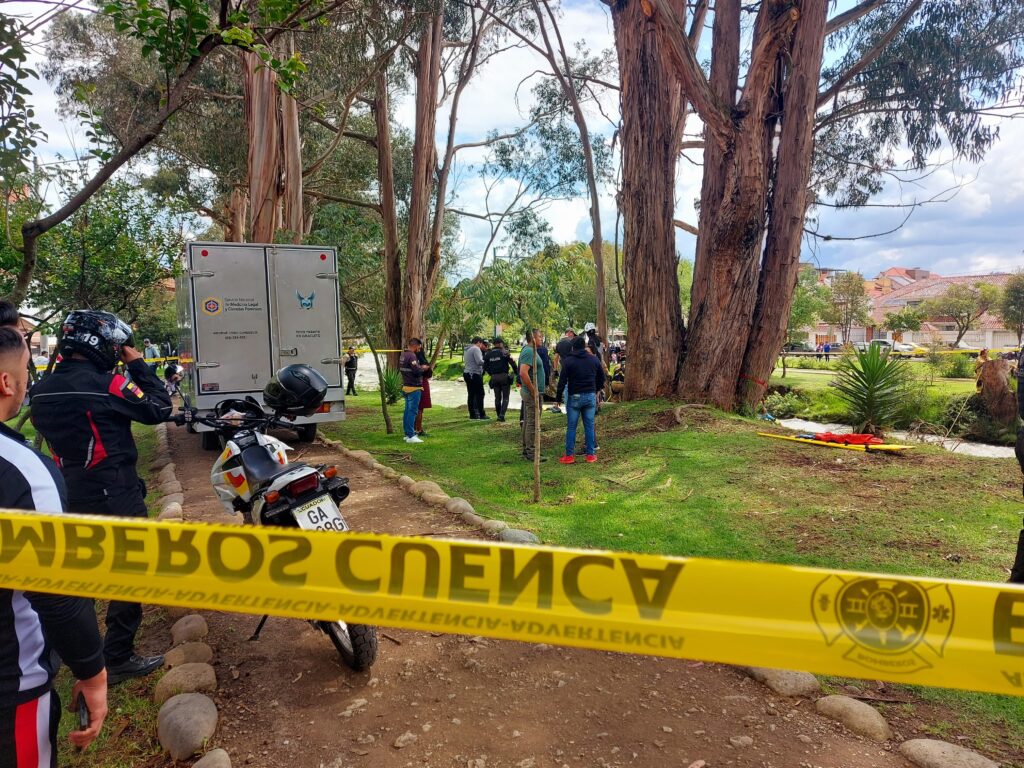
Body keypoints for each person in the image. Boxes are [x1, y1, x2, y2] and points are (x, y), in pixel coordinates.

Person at [30, 310, 171, 684]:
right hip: (115, 494)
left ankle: (79, 654)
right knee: (130, 573)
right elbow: (159, 407)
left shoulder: (41, 391)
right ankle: (118, 656)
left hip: (67, 494)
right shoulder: (107, 385)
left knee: (81, 578)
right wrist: (137, 363)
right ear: (102, 345)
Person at [0, 325, 109, 762]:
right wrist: (93, 672)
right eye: (27, 367)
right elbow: (56, 590)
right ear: (6, 382)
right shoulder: (21, 471)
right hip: (12, 689)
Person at [559, 335, 606, 464]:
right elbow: (602, 378)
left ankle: (569, 456)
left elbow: (562, 381)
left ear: (573, 346)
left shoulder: (568, 361)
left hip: (575, 396)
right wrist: (596, 389)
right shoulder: (593, 359)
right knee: (589, 426)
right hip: (590, 396)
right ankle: (590, 455)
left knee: (572, 427)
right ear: (584, 346)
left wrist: (558, 397)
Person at [518, 329, 547, 462]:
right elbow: (523, 373)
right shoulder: (529, 351)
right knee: (532, 422)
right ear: (533, 338)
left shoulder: (531, 350)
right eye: (540, 337)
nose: (542, 339)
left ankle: (527, 448)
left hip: (533, 393)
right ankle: (531, 451)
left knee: (529, 420)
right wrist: (533, 390)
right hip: (531, 394)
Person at [399, 338, 430, 444]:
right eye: (419, 347)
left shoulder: (403, 355)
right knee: (412, 411)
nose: (419, 349)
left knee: (407, 411)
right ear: (416, 345)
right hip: (414, 387)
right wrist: (424, 368)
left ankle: (408, 433)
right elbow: (416, 371)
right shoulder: (412, 355)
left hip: (406, 386)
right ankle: (411, 435)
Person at [483, 337, 516, 422]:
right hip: (504, 377)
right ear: (500, 343)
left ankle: (498, 414)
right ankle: (501, 415)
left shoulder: (488, 354)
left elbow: (485, 366)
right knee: (505, 397)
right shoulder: (504, 352)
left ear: (494, 344)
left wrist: (491, 373)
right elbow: (512, 363)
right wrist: (516, 372)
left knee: (497, 398)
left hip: (494, 377)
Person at [463, 336, 488, 420]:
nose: (481, 346)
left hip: (467, 373)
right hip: (474, 374)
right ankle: (482, 414)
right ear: (478, 342)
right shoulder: (476, 348)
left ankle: (472, 415)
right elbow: (479, 362)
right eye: (481, 344)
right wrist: (487, 360)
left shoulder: (467, 349)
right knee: (480, 394)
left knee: (471, 394)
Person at [414, 345, 432, 436]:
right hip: (419, 384)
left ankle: (417, 429)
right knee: (418, 408)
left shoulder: (419, 359)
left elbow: (429, 374)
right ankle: (417, 429)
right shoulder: (414, 359)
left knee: (419, 408)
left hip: (421, 383)